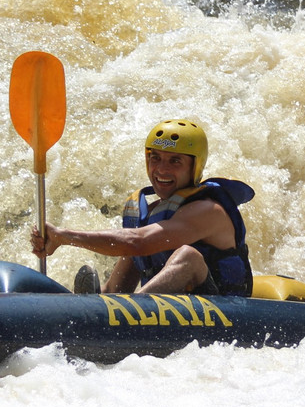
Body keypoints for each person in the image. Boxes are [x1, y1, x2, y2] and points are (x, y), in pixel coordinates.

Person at [30, 119, 255, 295]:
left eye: (175, 161)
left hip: (224, 311)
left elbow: (139, 242)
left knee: (189, 256)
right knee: (122, 271)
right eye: (155, 158)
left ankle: (132, 317)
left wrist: (63, 236)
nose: (161, 169)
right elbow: (116, 287)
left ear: (195, 167)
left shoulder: (208, 210)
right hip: (166, 317)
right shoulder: (152, 217)